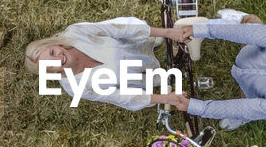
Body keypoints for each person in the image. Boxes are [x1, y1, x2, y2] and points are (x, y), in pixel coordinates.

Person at [24, 16, 187, 110]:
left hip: (130, 44)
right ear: (52, 73)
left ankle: (150, 40)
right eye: (51, 66)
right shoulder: (74, 87)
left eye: (52, 53)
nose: (59, 59)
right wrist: (165, 98)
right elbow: (119, 96)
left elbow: (119, 28)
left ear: (55, 44)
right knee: (162, 79)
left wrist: (168, 33)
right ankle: (157, 77)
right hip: (137, 78)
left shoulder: (75, 32)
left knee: (139, 35)